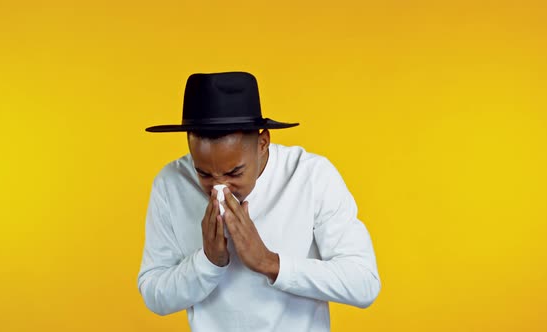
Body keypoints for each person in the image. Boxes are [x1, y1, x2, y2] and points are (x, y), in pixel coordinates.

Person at [137, 71, 381, 331]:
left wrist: (269, 262)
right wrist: (207, 262)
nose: (219, 187)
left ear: (263, 142)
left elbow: (363, 283)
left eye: (235, 173)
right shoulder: (171, 182)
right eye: (204, 173)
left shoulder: (311, 176)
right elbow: (154, 295)